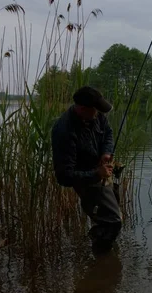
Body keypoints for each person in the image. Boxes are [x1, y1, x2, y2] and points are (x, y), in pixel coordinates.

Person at [51, 85, 122, 254]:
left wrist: (106, 152)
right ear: (82, 109)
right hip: (84, 178)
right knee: (113, 221)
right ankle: (101, 261)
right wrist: (96, 174)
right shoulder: (64, 131)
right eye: (96, 110)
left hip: (101, 170)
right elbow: (64, 176)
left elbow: (108, 133)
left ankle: (102, 248)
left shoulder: (96, 116)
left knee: (112, 213)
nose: (99, 114)